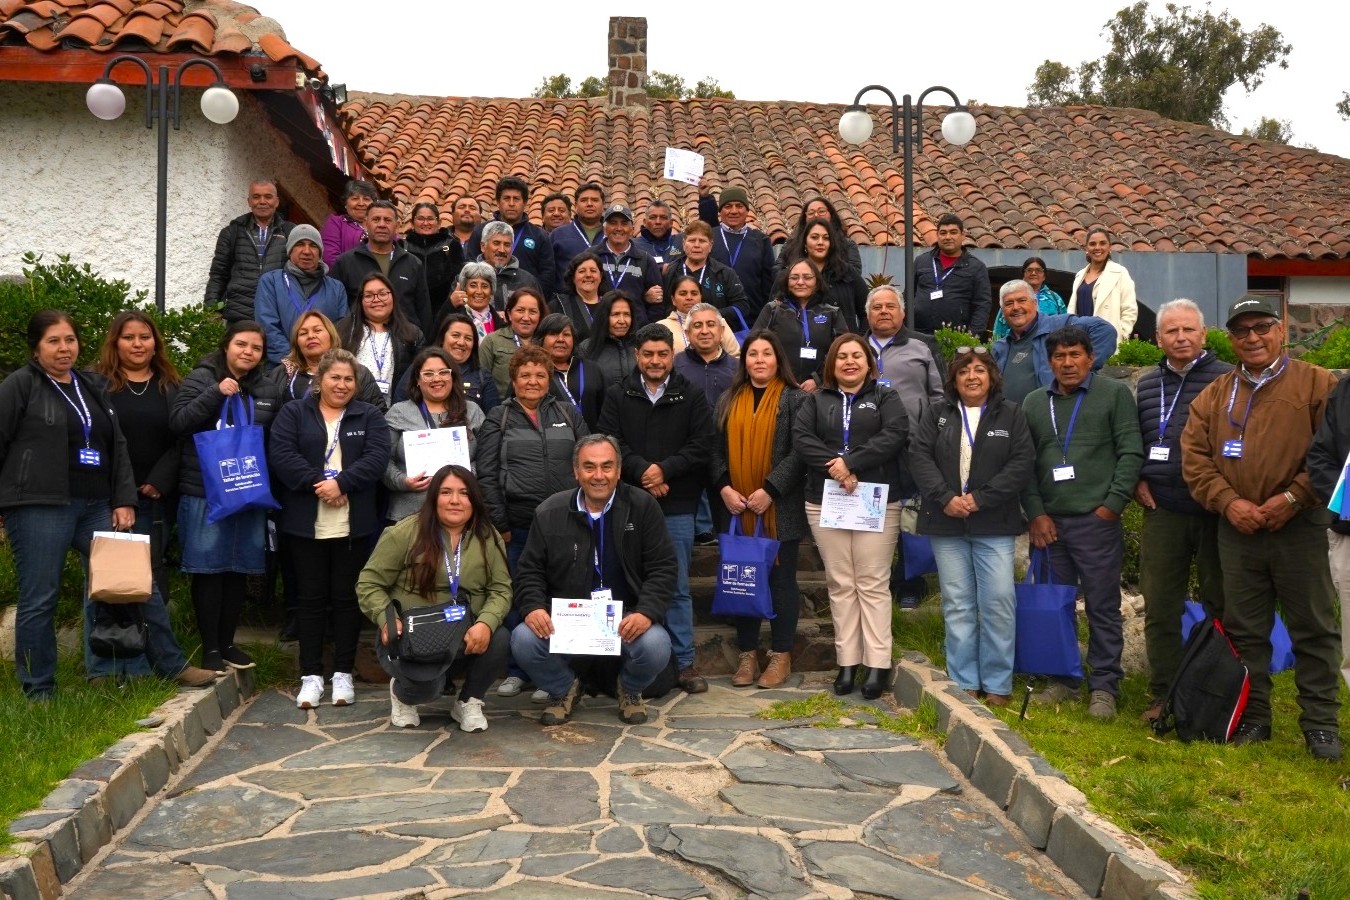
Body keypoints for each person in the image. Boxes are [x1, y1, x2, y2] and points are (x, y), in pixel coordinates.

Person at [0, 312, 188, 699]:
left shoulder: (90, 384)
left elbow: (115, 445)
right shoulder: (21, 385)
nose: (63, 348)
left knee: (135, 581)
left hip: (95, 505)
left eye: (69, 340)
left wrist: (123, 499)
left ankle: (171, 665)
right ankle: (39, 690)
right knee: (40, 599)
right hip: (39, 505)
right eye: (53, 341)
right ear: (36, 348)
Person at [1186, 295, 1341, 761]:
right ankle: (1254, 717)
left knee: (1313, 627)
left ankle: (1321, 725)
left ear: (1281, 330)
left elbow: (1334, 451)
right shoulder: (1214, 394)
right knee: (1245, 629)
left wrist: (1294, 497)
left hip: (1301, 527)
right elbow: (1195, 458)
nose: (1252, 337)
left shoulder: (1318, 383)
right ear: (1230, 339)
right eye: (1241, 330)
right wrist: (1228, 502)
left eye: (1261, 327)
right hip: (1239, 531)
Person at [510, 435, 677, 726]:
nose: (598, 475)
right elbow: (529, 570)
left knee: (656, 645)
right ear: (576, 471)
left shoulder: (643, 506)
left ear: (619, 471)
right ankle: (564, 688)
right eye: (589, 467)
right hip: (570, 619)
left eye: (606, 466)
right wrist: (533, 607)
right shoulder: (549, 511)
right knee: (523, 638)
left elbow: (663, 567)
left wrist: (646, 612)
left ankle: (629, 689)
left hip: (625, 618)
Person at [1022, 325, 1143, 719]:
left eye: (1075, 354)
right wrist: (1036, 513)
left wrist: (1112, 506)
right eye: (1059, 356)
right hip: (1049, 525)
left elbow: (1130, 452)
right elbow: (1024, 465)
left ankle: (1104, 686)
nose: (1068, 363)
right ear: (1049, 362)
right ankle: (1063, 678)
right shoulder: (1034, 403)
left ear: (1091, 358)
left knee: (1103, 606)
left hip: (1096, 521)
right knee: (1055, 605)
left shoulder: (1113, 394)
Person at [90, 312, 217, 687]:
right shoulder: (97, 385)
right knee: (104, 580)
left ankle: (147, 665)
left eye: (144, 336)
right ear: (115, 342)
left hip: (155, 496)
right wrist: (121, 492)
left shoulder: (170, 385)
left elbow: (183, 437)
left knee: (143, 582)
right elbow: (94, 440)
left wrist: (160, 479)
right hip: (108, 498)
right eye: (128, 337)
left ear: (155, 342)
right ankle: (107, 669)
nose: (137, 344)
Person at [909, 346, 1035, 707]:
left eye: (979, 370)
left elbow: (1021, 463)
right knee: (958, 604)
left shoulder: (1011, 414)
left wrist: (981, 498)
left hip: (994, 522)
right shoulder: (937, 413)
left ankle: (997, 683)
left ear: (991, 376)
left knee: (998, 602)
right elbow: (919, 457)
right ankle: (964, 681)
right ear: (954, 379)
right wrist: (945, 497)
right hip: (946, 522)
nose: (972, 377)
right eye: (964, 371)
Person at [269, 349, 391, 708]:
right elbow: (282, 455)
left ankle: (342, 673)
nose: (342, 384)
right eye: (335, 377)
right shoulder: (294, 412)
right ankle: (310, 675)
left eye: (349, 379)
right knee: (309, 600)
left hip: (353, 523)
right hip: (306, 521)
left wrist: (343, 484)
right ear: (319, 380)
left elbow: (377, 457)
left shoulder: (368, 415)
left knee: (346, 599)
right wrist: (320, 484)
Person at [598, 324, 716, 694]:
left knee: (676, 585)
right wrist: (643, 472)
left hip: (677, 503)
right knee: (626, 582)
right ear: (637, 355)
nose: (655, 361)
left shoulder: (691, 394)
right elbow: (610, 442)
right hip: (629, 503)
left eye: (662, 354)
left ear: (672, 356)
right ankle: (618, 660)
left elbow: (702, 444)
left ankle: (684, 662)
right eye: (647, 354)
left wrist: (665, 470)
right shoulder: (618, 394)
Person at [1133, 299, 1232, 722]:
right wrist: (1137, 478)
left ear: (1203, 334)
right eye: (1171, 331)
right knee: (1160, 605)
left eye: (1189, 329)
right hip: (1164, 510)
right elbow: (1136, 441)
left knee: (1222, 603)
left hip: (1215, 513)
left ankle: (1219, 696)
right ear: (1158, 338)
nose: (1181, 338)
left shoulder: (1227, 379)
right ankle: (1165, 694)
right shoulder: (1146, 385)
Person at [358, 464, 511, 732]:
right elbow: (369, 583)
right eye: (446, 492)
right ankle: (403, 693)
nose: (455, 500)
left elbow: (501, 589)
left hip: (464, 630)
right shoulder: (404, 532)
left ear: (474, 499)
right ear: (433, 497)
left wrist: (486, 623)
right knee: (428, 691)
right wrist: (386, 619)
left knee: (501, 638)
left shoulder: (488, 536)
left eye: (464, 493)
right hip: (415, 634)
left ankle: (468, 701)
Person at [795, 335, 907, 699]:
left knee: (872, 582)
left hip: (876, 500)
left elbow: (895, 434)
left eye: (857, 355)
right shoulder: (815, 400)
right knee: (841, 583)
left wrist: (851, 463)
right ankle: (847, 663)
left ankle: (878, 664)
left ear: (868, 362)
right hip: (826, 500)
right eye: (841, 356)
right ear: (831, 364)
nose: (849, 362)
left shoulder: (885, 397)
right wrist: (837, 469)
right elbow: (802, 438)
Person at [171, 320, 282, 674]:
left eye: (256, 348)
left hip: (247, 488)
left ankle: (229, 642)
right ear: (226, 346)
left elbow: (273, 437)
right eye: (241, 344)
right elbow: (178, 422)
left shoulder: (266, 387)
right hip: (204, 490)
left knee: (238, 569)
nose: (248, 352)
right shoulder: (201, 377)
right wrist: (216, 393)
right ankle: (210, 648)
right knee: (208, 570)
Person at [711, 330, 807, 688]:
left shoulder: (796, 399)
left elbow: (801, 451)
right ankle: (747, 654)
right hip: (738, 508)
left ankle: (781, 655)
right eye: (753, 354)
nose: (760, 360)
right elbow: (713, 450)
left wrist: (770, 490)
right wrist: (724, 488)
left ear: (778, 359)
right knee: (742, 580)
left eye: (767, 353)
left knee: (781, 583)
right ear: (744, 360)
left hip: (779, 508)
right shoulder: (728, 399)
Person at [863, 284, 945, 608]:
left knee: (911, 517)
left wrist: (933, 434)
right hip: (868, 449)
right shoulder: (855, 347)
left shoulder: (922, 345)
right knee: (872, 517)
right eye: (877, 307)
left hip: (913, 446)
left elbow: (939, 394)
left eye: (890, 306)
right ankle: (875, 582)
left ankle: (910, 582)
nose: (883, 311)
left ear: (902, 312)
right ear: (867, 315)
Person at [477, 344, 590, 571]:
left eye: (540, 375)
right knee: (523, 586)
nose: (532, 382)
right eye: (525, 375)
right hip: (518, 526)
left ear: (549, 380)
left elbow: (588, 461)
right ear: (514, 380)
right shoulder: (498, 417)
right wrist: (500, 523)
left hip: (567, 519)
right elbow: (487, 473)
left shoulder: (568, 413)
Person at [385, 347, 486, 523]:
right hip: (409, 513)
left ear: (452, 376)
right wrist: (403, 481)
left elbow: (487, 458)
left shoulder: (472, 411)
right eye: (428, 374)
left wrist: (468, 474)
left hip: (460, 511)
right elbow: (383, 460)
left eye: (443, 372)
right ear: (417, 380)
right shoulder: (398, 412)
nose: (436, 379)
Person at [990, 279, 1118, 405]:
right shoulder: (1000, 347)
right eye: (1009, 303)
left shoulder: (1058, 326)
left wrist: (1083, 367)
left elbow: (1103, 330)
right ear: (1003, 311)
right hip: (1011, 417)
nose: (1016, 307)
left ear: (1035, 303)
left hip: (1053, 414)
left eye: (1022, 300)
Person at [331, 200, 433, 334]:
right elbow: (335, 309)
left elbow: (424, 312)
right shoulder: (345, 263)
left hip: (405, 340)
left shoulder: (413, 264)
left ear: (397, 226)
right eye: (376, 219)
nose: (382, 225)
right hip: (359, 339)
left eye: (387, 220)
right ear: (366, 224)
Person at [254, 224, 349, 366]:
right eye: (299, 244)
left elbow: (341, 330)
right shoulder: (271, 281)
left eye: (313, 246)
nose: (306, 251)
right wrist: (292, 360)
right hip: (280, 367)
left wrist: (321, 363)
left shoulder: (336, 288)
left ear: (320, 253)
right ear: (289, 251)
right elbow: (267, 326)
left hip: (323, 367)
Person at [751, 259, 849, 391]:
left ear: (817, 282)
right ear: (786, 282)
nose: (800, 282)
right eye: (794, 278)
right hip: (777, 386)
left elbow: (842, 351)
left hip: (821, 390)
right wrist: (782, 379)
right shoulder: (773, 310)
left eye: (807, 277)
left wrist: (818, 380)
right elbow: (754, 347)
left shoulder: (832, 313)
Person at [205, 179, 293, 323]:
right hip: (238, 315)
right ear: (249, 201)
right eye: (256, 197)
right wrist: (211, 311)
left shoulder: (290, 232)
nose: (262, 201)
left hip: (277, 314)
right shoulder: (231, 232)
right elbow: (218, 274)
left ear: (277, 201)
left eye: (268, 197)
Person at [271, 310, 386, 409]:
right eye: (303, 333)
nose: (311, 336)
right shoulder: (281, 374)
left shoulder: (359, 373)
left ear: (331, 335)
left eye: (317, 330)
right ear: (296, 343)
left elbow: (377, 415)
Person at [336, 273, 423, 402]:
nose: (376, 299)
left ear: (393, 297)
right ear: (360, 301)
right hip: (353, 405)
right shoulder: (344, 330)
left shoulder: (412, 333)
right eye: (369, 295)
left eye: (382, 294)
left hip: (396, 406)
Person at [465, 176, 556, 295]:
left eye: (516, 199)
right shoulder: (481, 231)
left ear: (525, 203)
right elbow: (470, 266)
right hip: (485, 298)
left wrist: (532, 298)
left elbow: (547, 274)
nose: (511, 204)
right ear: (498, 202)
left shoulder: (539, 236)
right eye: (506, 198)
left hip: (525, 301)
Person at [392, 313, 499, 413]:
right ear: (442, 338)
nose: (461, 342)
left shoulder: (482, 376)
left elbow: (492, 418)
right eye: (456, 335)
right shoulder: (421, 367)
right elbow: (399, 408)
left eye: (468, 338)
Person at [697, 183, 776, 317]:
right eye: (728, 206)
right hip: (712, 317)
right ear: (720, 211)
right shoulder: (709, 238)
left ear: (747, 211)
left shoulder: (760, 240)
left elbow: (769, 283)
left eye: (739, 206)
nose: (734, 211)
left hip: (751, 318)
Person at [910, 213, 993, 339]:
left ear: (963, 235)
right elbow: (908, 296)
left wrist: (971, 337)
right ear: (937, 235)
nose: (948, 237)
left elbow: (982, 305)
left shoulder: (976, 267)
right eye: (943, 233)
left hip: (957, 338)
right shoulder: (921, 261)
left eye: (953, 232)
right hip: (919, 335)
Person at [779, 217, 868, 330]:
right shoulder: (789, 274)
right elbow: (773, 312)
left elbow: (867, 311)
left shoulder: (847, 273)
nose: (820, 242)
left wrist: (861, 338)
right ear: (805, 243)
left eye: (826, 238)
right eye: (814, 237)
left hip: (843, 339)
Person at [661, 220, 750, 328]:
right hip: (677, 331)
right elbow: (661, 306)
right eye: (692, 240)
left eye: (702, 241)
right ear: (684, 244)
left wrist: (712, 315)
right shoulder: (669, 271)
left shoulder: (724, 273)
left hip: (714, 331)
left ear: (710, 245)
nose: (696, 245)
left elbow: (742, 306)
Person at [595, 203, 664, 319]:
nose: (619, 228)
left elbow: (657, 302)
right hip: (598, 324)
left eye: (624, 223)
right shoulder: (591, 256)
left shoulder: (646, 260)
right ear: (604, 229)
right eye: (613, 223)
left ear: (632, 229)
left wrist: (645, 326)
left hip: (636, 328)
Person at [538, 313, 606, 432]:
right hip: (547, 439)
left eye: (566, 334)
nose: (561, 339)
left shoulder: (591, 369)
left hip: (589, 440)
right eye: (553, 334)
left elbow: (604, 412)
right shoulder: (532, 371)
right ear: (541, 339)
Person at [1071, 226, 1138, 344]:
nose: (1097, 247)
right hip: (1080, 340)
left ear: (1109, 247)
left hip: (1106, 340)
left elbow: (1130, 310)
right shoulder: (1079, 276)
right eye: (1092, 244)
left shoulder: (1120, 273)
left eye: (1102, 243)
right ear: (1086, 248)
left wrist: (1121, 333)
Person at [404, 201, 466, 326]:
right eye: (420, 218)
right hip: (409, 314)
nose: (425, 223)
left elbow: (459, 278)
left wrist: (449, 304)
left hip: (445, 313)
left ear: (439, 222)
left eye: (430, 219)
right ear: (412, 222)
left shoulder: (451, 245)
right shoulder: (402, 247)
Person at [479, 288, 545, 397]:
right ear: (509, 314)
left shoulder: (546, 342)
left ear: (540, 316)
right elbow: (481, 381)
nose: (526, 317)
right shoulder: (492, 341)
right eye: (520, 310)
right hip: (501, 405)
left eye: (532, 312)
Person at [655, 275, 740, 357]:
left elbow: (735, 356)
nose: (689, 297)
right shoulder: (662, 327)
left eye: (694, 293)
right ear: (673, 299)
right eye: (683, 294)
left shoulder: (718, 322)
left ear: (701, 297)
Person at [674, 302, 738, 411]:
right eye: (697, 325)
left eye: (711, 324)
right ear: (687, 333)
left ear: (722, 331)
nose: (704, 331)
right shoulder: (675, 365)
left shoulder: (737, 368)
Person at [992, 257, 1066, 340]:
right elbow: (999, 328)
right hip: (1017, 344)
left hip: (1049, 343)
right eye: (1029, 270)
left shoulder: (1054, 298)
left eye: (1038, 270)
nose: (1033, 273)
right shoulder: (1011, 296)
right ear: (1023, 274)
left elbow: (1064, 324)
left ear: (1044, 276)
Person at [784, 196, 862, 274]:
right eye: (811, 213)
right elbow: (779, 271)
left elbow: (855, 275)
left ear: (831, 214)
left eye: (821, 211)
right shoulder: (791, 245)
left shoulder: (848, 245)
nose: (816, 215)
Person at [477, 220, 543, 310]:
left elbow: (539, 312)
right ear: (483, 246)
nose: (502, 250)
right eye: (496, 243)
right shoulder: (469, 276)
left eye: (507, 245)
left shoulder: (528, 281)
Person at [580, 293, 638, 386]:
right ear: (604, 317)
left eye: (627, 314)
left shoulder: (640, 345)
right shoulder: (587, 348)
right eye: (615, 314)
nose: (622, 321)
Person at [550, 182, 607, 276]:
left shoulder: (612, 235)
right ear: (576, 205)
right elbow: (547, 270)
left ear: (603, 205)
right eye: (584, 200)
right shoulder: (558, 234)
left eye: (595, 200)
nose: (589, 204)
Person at [550, 251, 605, 346]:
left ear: (600, 276)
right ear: (573, 277)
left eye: (593, 271)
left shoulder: (611, 305)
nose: (588, 275)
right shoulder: (559, 306)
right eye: (582, 271)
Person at [320, 180, 378, 267]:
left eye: (366, 199)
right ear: (346, 203)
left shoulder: (382, 225)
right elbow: (329, 258)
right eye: (355, 198)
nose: (361, 203)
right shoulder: (336, 223)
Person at [448, 261, 506, 340]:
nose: (479, 291)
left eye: (484, 286)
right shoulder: (452, 318)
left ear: (491, 291)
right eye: (473, 285)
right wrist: (449, 304)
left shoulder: (501, 322)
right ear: (464, 288)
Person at [632, 199, 684, 267]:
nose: (658, 222)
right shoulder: (633, 246)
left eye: (663, 217)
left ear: (671, 223)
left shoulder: (681, 242)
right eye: (653, 217)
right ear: (644, 222)